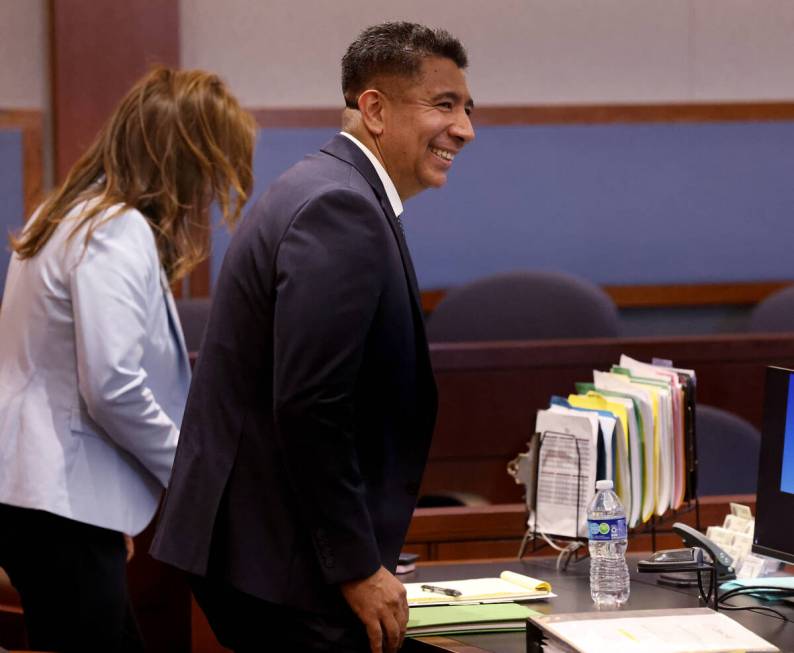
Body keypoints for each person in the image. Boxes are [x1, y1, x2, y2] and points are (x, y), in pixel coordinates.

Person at [151, 21, 475, 653]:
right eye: (444, 104)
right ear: (375, 109)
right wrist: (356, 565)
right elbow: (310, 405)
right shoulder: (341, 207)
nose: (464, 127)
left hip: (269, 553)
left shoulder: (328, 186)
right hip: (282, 565)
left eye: (467, 108)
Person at [0, 66, 254, 652]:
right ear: (182, 158)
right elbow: (112, 386)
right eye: (213, 168)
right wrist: (191, 476)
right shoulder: (116, 229)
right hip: (58, 502)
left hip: (43, 498)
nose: (212, 190)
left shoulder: (62, 214)